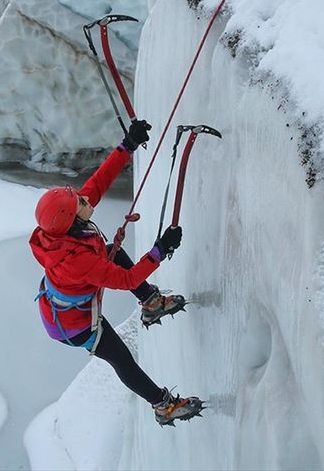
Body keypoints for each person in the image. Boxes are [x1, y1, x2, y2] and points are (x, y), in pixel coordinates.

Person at [29, 119, 204, 426]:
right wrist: (158, 252)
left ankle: (151, 304)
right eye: (80, 201)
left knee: (113, 250)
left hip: (65, 305)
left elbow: (97, 184)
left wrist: (128, 146)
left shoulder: (67, 224)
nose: (86, 198)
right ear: (71, 218)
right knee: (121, 358)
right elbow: (126, 280)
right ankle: (163, 405)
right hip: (75, 326)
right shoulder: (76, 260)